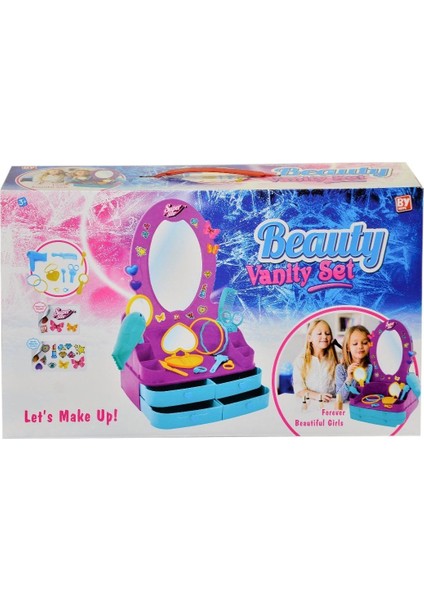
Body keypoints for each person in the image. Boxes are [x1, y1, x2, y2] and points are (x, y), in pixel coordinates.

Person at [292, 319, 340, 402]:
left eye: (327, 333)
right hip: (310, 404)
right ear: (309, 338)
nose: (324, 336)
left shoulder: (336, 361)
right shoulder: (300, 361)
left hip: (331, 404)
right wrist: (317, 396)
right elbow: (299, 390)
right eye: (319, 333)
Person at [335, 325, 371, 402]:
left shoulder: (372, 368)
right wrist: (349, 379)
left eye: (364, 343)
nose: (360, 346)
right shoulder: (341, 369)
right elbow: (339, 399)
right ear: (348, 347)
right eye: (355, 343)